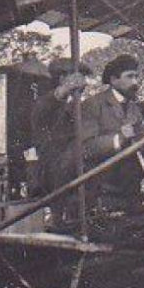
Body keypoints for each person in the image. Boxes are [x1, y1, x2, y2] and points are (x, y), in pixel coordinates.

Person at [75, 53, 144, 241]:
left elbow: (139, 137)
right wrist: (118, 139)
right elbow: (86, 147)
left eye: (136, 76)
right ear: (113, 79)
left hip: (128, 165)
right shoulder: (93, 105)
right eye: (130, 76)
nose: (135, 82)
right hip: (104, 168)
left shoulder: (133, 107)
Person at [30, 57, 90, 231]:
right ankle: (57, 217)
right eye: (79, 76)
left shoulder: (77, 105)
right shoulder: (46, 102)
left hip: (74, 163)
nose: (84, 82)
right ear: (62, 78)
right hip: (51, 166)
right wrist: (64, 90)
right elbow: (43, 109)